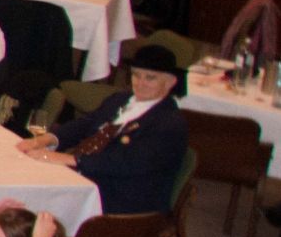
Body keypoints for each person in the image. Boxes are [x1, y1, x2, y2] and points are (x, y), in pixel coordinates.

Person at [17, 41, 189, 225]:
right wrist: (47, 139)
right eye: (136, 75)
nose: (141, 83)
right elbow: (86, 124)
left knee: (33, 199)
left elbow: (127, 162)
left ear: (170, 82)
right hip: (92, 176)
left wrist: (73, 160)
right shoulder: (120, 100)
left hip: (123, 201)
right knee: (24, 178)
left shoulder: (170, 124)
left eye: (150, 78)